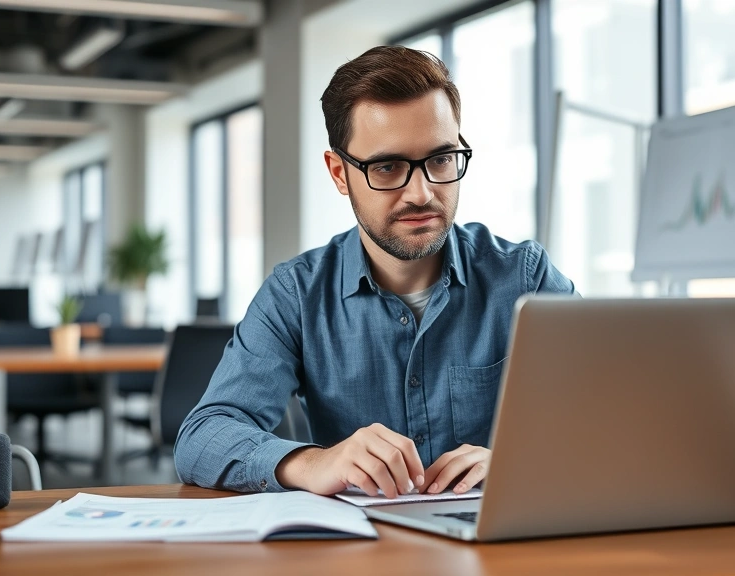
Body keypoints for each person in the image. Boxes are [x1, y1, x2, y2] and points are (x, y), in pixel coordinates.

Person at [174, 46, 575, 499]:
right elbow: (202, 437)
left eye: (441, 159)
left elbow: (612, 411)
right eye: (388, 167)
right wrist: (314, 462)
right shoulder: (296, 295)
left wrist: (519, 462)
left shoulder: (524, 278)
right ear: (340, 173)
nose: (421, 193)